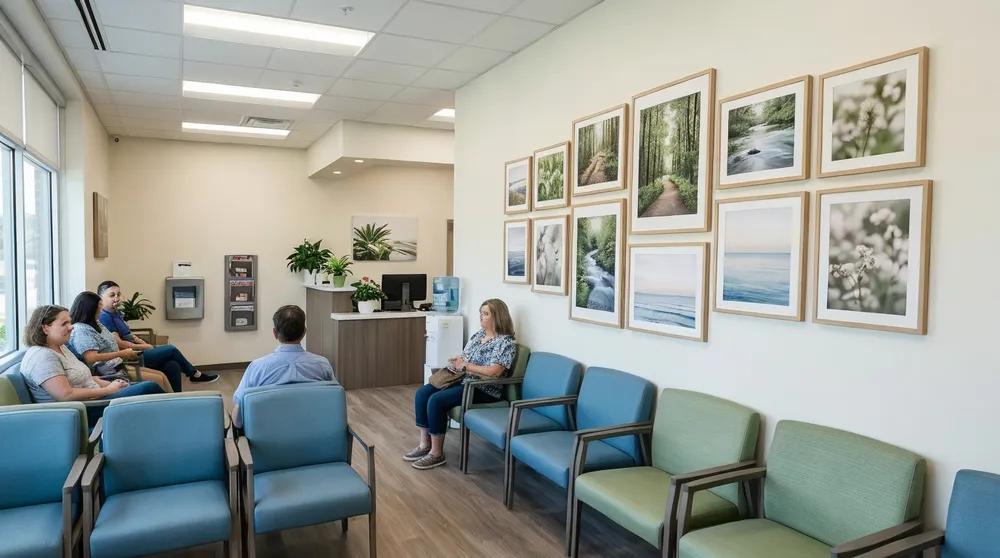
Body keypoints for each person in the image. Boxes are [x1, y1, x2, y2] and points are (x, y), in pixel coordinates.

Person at [406, 298, 516, 470]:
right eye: (481, 313)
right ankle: (424, 444)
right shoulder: (479, 335)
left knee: (436, 400)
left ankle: (436, 454)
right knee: (423, 393)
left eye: (485, 314)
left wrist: (467, 366)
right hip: (463, 379)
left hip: (483, 388)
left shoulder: (505, 343)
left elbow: (494, 371)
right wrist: (459, 361)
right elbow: (466, 357)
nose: (481, 317)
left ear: (498, 317)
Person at [20, 305, 164, 425]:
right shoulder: (42, 356)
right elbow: (65, 395)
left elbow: (80, 378)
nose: (71, 328)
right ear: (46, 328)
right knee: (149, 388)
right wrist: (108, 391)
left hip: (94, 400)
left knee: (143, 391)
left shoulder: (61, 347)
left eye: (70, 322)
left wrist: (105, 383)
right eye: (64, 324)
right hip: (82, 412)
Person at [97, 280, 218, 388]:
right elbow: (120, 343)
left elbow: (129, 334)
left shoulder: (115, 313)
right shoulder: (104, 317)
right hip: (131, 357)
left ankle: (176, 399)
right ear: (101, 298)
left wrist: (143, 343)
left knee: (172, 365)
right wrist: (144, 347)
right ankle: (195, 374)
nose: (117, 298)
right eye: (112, 295)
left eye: (118, 294)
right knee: (171, 349)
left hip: (139, 350)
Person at [232, 305, 336, 428]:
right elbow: (333, 404)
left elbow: (238, 420)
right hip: (316, 437)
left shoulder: (257, 367)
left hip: (267, 443)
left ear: (274, 333)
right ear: (304, 332)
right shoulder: (322, 365)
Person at [68, 291, 174, 393]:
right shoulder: (81, 330)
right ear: (90, 310)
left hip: (118, 364)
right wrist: (122, 353)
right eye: (99, 307)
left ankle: (176, 403)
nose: (101, 310)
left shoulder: (97, 323)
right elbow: (91, 357)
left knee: (162, 374)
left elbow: (114, 338)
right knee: (158, 378)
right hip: (107, 373)